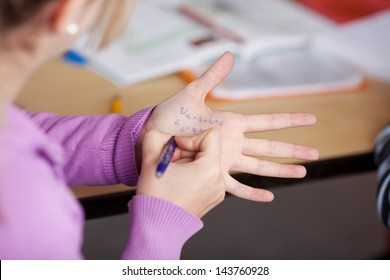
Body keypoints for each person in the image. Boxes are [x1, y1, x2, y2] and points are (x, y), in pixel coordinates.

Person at [0, 0, 319, 259]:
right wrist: (162, 227)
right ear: (66, 11)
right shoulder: (21, 212)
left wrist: (132, 144)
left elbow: (16, 129)